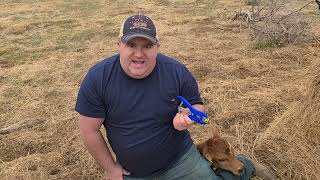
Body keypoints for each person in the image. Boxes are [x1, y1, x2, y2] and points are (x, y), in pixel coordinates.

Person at [75, 13, 258, 180]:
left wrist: (189, 116)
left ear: (157, 47)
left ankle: (247, 166)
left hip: (181, 160)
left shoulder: (176, 71)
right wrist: (111, 168)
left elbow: (198, 105)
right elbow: (89, 130)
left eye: (147, 46)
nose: (139, 54)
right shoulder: (98, 78)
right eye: (131, 45)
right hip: (133, 171)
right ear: (118, 45)